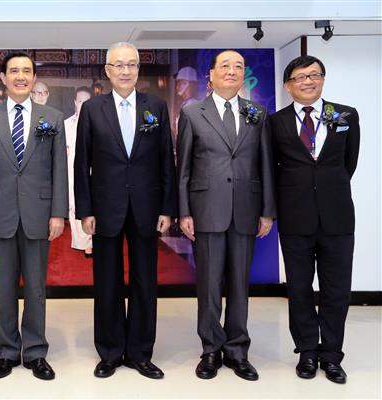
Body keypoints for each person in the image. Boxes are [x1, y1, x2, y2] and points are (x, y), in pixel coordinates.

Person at [74, 42, 177, 379]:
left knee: (145, 282)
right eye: (118, 65)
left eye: (131, 64)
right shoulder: (93, 109)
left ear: (138, 69)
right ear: (107, 70)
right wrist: (85, 210)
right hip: (105, 207)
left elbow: (166, 159)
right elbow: (81, 163)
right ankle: (110, 351)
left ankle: (140, 352)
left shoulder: (155, 107)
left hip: (147, 206)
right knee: (107, 283)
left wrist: (167, 208)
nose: (125, 70)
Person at [177, 49, 275, 381]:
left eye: (238, 66)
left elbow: (265, 164)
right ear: (212, 75)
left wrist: (267, 211)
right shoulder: (192, 113)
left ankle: (237, 350)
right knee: (208, 285)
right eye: (225, 66)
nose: (232, 71)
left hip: (246, 210)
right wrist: (184, 211)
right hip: (206, 210)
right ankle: (210, 349)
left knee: (239, 285)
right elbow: (183, 168)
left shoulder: (256, 113)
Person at [0, 52, 68, 381]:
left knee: (36, 288)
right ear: (3, 78)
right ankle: (7, 351)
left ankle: (36, 351)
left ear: (34, 77)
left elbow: (59, 169)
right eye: (14, 71)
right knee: (2, 288)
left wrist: (58, 213)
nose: (21, 76)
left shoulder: (52, 118)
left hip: (39, 214)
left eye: (27, 71)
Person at [270, 55, 360, 384]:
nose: (308, 81)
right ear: (287, 85)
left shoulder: (345, 115)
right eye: (300, 77)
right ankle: (307, 351)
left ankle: (332, 355)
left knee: (337, 290)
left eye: (314, 75)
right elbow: (273, 168)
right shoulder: (275, 122)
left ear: (322, 79)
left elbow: (348, 163)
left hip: (337, 216)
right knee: (299, 288)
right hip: (295, 217)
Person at [64, 86, 93, 257]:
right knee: (74, 206)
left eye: (86, 101)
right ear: (75, 102)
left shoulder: (97, 122)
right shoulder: (66, 124)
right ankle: (82, 242)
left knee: (92, 206)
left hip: (92, 171)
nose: (83, 104)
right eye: (80, 101)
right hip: (71, 170)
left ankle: (91, 242)